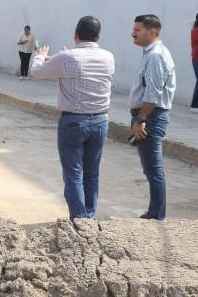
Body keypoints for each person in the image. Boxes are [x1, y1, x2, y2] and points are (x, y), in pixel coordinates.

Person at [30, 16, 115, 220]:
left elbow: (36, 72)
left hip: (74, 122)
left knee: (73, 174)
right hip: (101, 122)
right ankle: (89, 217)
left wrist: (41, 56)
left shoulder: (66, 58)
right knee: (91, 174)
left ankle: (79, 221)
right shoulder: (108, 57)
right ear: (98, 36)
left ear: (75, 34)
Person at [128, 14, 176, 221]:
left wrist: (141, 120)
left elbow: (153, 94)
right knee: (151, 170)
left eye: (138, 30)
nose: (133, 33)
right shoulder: (150, 53)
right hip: (148, 116)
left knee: (154, 170)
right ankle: (155, 213)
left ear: (153, 32)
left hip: (151, 117)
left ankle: (156, 216)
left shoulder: (156, 55)